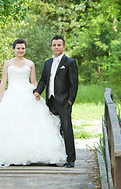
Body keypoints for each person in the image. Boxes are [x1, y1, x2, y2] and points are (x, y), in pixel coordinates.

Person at [0, 39, 66, 167]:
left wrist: (37, 93)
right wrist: (1, 99)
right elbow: (3, 82)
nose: (21, 51)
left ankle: (31, 154)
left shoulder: (30, 63)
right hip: (12, 94)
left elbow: (34, 81)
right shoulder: (7, 63)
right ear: (13, 49)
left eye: (23, 48)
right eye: (18, 48)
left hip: (27, 94)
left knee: (31, 123)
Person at [33, 36, 78, 168]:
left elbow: (74, 84)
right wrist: (37, 91)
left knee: (66, 128)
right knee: (53, 129)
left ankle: (71, 159)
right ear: (51, 47)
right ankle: (57, 156)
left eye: (59, 45)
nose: (56, 47)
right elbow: (43, 80)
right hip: (50, 101)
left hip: (64, 101)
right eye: (54, 45)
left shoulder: (70, 62)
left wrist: (70, 100)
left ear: (64, 47)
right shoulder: (47, 63)